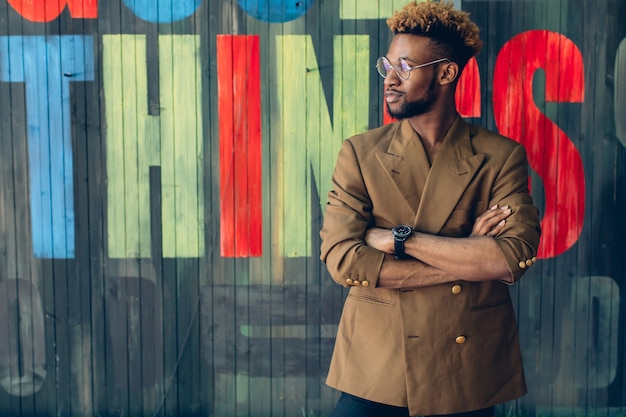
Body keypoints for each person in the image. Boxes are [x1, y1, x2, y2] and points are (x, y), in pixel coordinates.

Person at [319, 1, 542, 416]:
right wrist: (471, 255)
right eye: (388, 64)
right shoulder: (360, 154)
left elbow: (512, 258)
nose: (390, 78)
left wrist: (399, 239)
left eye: (405, 66)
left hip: (465, 369)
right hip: (376, 365)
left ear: (445, 72)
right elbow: (343, 260)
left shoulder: (500, 156)